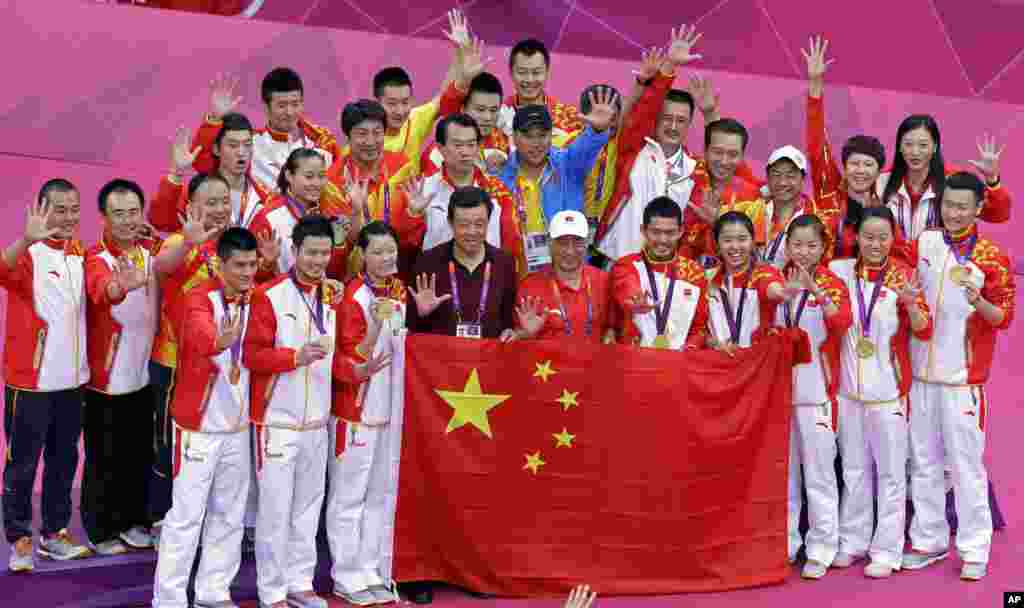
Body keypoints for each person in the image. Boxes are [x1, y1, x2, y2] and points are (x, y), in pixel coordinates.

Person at [902, 172, 1015, 581]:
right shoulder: (925, 242)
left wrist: (979, 302)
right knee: (925, 464)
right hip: (920, 377)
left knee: (966, 467)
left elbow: (1003, 318)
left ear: (977, 209)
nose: (953, 212)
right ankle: (929, 541)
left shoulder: (991, 256)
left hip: (963, 382)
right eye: (948, 204)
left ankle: (974, 548)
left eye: (962, 206)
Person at [152, 227, 260, 608]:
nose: (247, 272)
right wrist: (219, 342)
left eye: (253, 264)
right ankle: (169, 600)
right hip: (198, 428)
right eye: (240, 265)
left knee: (229, 515)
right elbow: (197, 334)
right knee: (185, 516)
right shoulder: (198, 298)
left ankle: (214, 592)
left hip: (238, 427)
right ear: (220, 264)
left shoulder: (258, 299)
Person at [828, 206, 932, 578]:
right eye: (868, 237)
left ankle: (886, 550)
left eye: (882, 237)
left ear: (893, 238)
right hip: (847, 392)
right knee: (854, 470)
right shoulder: (838, 272)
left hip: (888, 393)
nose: (875, 244)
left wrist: (909, 304)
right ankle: (852, 541)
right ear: (856, 237)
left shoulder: (904, 277)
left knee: (890, 474)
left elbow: (923, 330)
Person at [244, 215, 342, 608]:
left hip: (317, 421)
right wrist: (294, 357)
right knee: (275, 508)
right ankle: (271, 591)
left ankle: (301, 582)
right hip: (277, 421)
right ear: (295, 251)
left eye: (325, 253)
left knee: (307, 507)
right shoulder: (269, 296)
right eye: (312, 253)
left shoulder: (332, 296)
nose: (319, 261)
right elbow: (252, 356)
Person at [2, 180, 90, 570]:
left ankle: (55, 534)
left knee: (63, 461)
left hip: (73, 382)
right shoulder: (30, 255)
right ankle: (19, 538)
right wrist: (24, 240)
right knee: (22, 464)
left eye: (74, 209)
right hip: (31, 383)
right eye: (60, 209)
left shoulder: (81, 256)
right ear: (41, 209)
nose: (69, 217)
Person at [146, 173, 232, 544]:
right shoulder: (182, 241)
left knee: (211, 445)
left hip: (218, 364)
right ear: (191, 206)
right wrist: (188, 246)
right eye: (210, 202)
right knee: (169, 443)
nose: (219, 208)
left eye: (223, 200)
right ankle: (163, 517)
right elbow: (161, 266)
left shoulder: (232, 246)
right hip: (174, 363)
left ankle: (205, 517)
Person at [82, 180, 165, 555]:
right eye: (119, 214)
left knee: (138, 454)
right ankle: (101, 529)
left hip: (144, 373)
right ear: (104, 217)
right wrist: (122, 285)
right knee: (104, 457)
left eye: (133, 212)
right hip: (107, 380)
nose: (128, 220)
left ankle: (134, 521)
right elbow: (103, 290)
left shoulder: (151, 251)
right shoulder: (96, 257)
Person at [595, 25, 719, 263]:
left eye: (681, 120)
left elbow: (692, 228)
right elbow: (644, 109)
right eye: (667, 118)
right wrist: (669, 68)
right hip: (615, 259)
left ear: (690, 123)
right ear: (656, 119)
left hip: (665, 271)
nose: (673, 126)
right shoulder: (635, 148)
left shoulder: (696, 171)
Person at [772, 214, 852, 579]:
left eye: (812, 246)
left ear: (823, 248)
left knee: (819, 476)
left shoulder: (833, 284)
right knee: (784, 477)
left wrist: (816, 292)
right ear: (787, 246)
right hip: (777, 397)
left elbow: (841, 324)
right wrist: (787, 292)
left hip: (818, 396)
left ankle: (822, 546)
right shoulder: (773, 281)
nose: (803, 253)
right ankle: (786, 542)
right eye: (797, 245)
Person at [327, 221, 400, 606]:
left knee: (379, 496)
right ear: (362, 256)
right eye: (378, 251)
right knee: (348, 497)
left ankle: (371, 568)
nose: (386, 258)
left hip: (388, 412)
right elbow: (346, 359)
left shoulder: (400, 291)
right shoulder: (353, 297)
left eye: (391, 250)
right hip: (355, 411)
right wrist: (374, 327)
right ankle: (345, 573)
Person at [497, 90, 617, 277]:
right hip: (516, 275)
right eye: (528, 135)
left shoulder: (569, 165)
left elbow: (587, 146)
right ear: (514, 136)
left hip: (565, 273)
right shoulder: (499, 178)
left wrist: (598, 131)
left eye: (542, 135)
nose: (536, 143)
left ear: (551, 135)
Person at [802, 35, 886, 260]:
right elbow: (816, 146)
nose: (860, 170)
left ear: (878, 171)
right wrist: (815, 87)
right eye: (854, 164)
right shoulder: (828, 189)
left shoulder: (888, 203)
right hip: (827, 285)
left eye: (868, 165)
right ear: (845, 167)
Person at [190, 68, 341, 191]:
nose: (289, 112)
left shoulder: (323, 142)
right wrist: (215, 120)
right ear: (266, 107)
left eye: (295, 104)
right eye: (281, 105)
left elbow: (338, 188)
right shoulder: (250, 144)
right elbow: (203, 164)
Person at [407, 187, 517, 342]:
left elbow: (508, 321)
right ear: (450, 223)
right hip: (442, 360)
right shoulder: (427, 262)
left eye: (479, 224)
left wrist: (512, 332)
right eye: (464, 225)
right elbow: (411, 331)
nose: (472, 232)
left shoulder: (505, 263)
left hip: (489, 360)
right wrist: (421, 314)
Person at [368, 9, 479, 162]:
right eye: (392, 104)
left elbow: (444, 98)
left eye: (405, 102)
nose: (400, 111)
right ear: (376, 102)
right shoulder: (364, 140)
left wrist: (459, 51)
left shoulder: (415, 120)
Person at [398, 113, 516, 254]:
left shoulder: (498, 190)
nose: (465, 152)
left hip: (487, 274)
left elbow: (510, 246)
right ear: (440, 148)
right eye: (458, 145)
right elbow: (405, 249)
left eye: (471, 144)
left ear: (478, 147)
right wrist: (413, 215)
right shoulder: (421, 190)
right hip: (436, 274)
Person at [878, 115, 1010, 240]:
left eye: (923, 145)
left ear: (935, 147)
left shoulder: (953, 181)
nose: (915, 152)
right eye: (908, 144)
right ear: (899, 146)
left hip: (943, 262)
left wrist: (992, 180)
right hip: (895, 262)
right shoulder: (881, 181)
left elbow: (998, 215)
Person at [611, 196, 708, 349]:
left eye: (670, 233)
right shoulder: (627, 265)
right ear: (643, 230)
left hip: (678, 365)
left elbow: (700, 327)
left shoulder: (695, 273)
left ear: (681, 231)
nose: (663, 240)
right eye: (656, 232)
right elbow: (626, 285)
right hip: (635, 363)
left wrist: (690, 349)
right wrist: (635, 299)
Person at [149, 114, 273, 233]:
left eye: (247, 145)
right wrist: (176, 173)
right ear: (216, 149)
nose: (241, 152)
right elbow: (161, 222)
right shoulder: (198, 192)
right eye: (233, 145)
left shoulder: (265, 195)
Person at [511, 210, 615, 342]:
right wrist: (525, 334)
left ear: (587, 242)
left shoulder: (605, 281)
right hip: (547, 363)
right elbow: (517, 343)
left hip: (594, 362)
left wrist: (611, 333)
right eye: (562, 242)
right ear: (549, 242)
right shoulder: (530, 286)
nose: (570, 251)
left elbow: (615, 328)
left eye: (577, 242)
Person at [249, 148, 353, 279]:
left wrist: (339, 246)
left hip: (321, 297)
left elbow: (334, 276)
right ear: (289, 176)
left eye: (321, 176)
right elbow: (249, 277)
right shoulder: (268, 217)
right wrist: (267, 264)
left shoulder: (329, 214)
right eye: (309, 176)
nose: (316, 183)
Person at [679, 119, 765, 264]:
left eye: (732, 154)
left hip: (726, 281)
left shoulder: (752, 197)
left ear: (742, 156)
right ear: (705, 151)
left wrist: (717, 224)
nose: (724, 161)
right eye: (718, 152)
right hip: (679, 277)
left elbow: (755, 257)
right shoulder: (684, 184)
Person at [704, 212, 787, 353]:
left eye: (742, 239)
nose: (735, 246)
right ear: (717, 243)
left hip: (757, 365)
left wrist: (786, 292)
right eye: (727, 240)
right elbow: (698, 329)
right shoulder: (707, 279)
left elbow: (774, 291)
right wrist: (714, 344)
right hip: (718, 364)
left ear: (753, 241)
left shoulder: (763, 273)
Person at [420, 72, 509, 176]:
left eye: (494, 110)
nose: (487, 118)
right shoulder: (439, 152)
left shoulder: (504, 142)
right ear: (463, 109)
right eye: (480, 110)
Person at [497, 38, 583, 145]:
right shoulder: (496, 116)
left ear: (547, 72)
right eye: (522, 72)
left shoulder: (570, 118)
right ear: (511, 72)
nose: (529, 79)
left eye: (536, 72)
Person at [758, 145, 819, 269]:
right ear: (768, 178)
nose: (782, 182)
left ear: (803, 179)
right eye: (776, 175)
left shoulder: (817, 218)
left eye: (790, 176)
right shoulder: (752, 211)